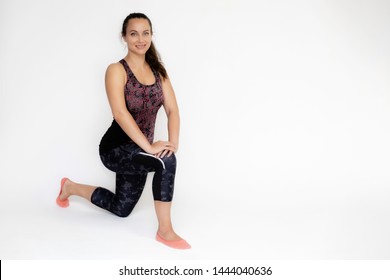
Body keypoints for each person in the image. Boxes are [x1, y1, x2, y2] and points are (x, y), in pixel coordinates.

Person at [56, 12, 190, 250]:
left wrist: (173, 143)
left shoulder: (160, 72)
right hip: (116, 149)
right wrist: (150, 147)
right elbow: (120, 113)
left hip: (140, 151)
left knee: (121, 209)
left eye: (145, 33)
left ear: (151, 35)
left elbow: (173, 111)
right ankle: (165, 231)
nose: (141, 39)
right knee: (166, 163)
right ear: (124, 37)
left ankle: (70, 187)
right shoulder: (116, 70)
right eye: (134, 33)